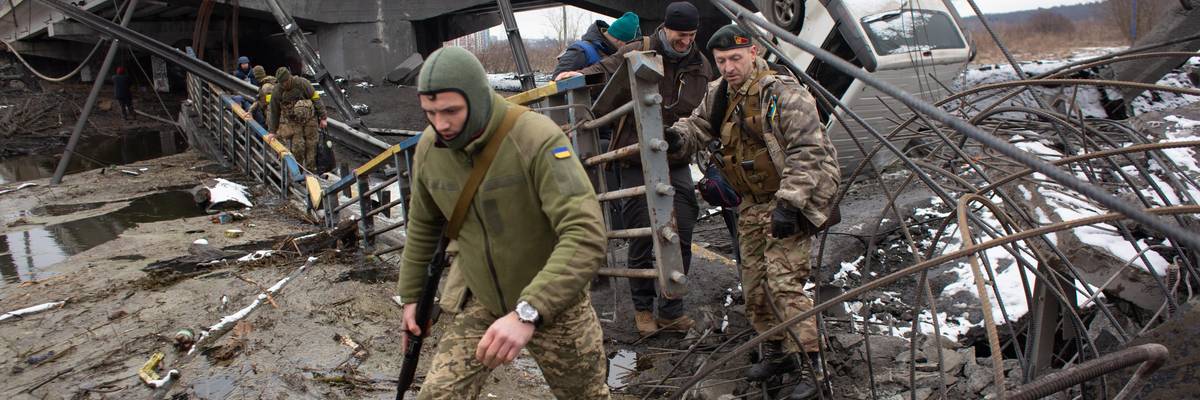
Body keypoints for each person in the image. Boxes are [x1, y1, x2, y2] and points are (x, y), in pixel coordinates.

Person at [397, 46, 610, 399]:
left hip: (554, 301)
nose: (440, 124)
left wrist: (528, 312)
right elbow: (423, 226)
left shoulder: (536, 138)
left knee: (586, 396)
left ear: (478, 99)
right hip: (481, 296)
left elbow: (585, 233)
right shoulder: (430, 149)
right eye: (430, 113)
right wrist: (411, 298)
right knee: (438, 394)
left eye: (451, 111)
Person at [665, 24, 841, 400]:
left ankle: (813, 366)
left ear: (754, 53)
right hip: (751, 204)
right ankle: (777, 353)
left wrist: (789, 204)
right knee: (755, 286)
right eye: (721, 61)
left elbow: (808, 150)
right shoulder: (720, 93)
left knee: (783, 284)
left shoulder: (783, 93)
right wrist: (677, 136)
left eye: (735, 58)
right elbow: (697, 125)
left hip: (790, 200)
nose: (728, 67)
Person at [565, 1, 714, 337]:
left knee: (682, 229)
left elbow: (705, 109)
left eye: (691, 35)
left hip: (675, 157)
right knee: (643, 234)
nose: (685, 41)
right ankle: (643, 309)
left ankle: (672, 310)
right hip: (636, 157)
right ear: (665, 28)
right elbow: (605, 70)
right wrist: (577, 76)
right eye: (679, 35)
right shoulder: (639, 49)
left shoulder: (700, 65)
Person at [267, 67, 327, 171]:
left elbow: (316, 98)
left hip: (310, 119)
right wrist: (272, 131)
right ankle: (298, 171)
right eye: (281, 83)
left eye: (285, 82)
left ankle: (311, 171)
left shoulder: (302, 83)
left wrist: (323, 118)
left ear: (289, 78)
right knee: (298, 147)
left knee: (311, 145)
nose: (284, 85)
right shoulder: (277, 91)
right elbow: (274, 112)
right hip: (293, 121)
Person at [550, 11, 640, 81]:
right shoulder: (580, 51)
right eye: (627, 45)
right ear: (619, 40)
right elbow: (556, 82)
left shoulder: (610, 52)